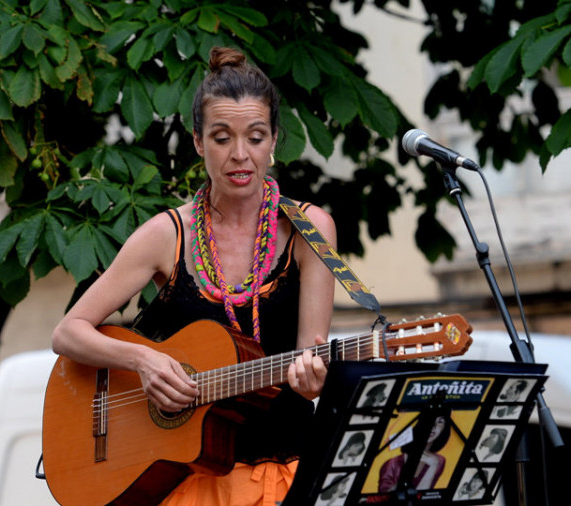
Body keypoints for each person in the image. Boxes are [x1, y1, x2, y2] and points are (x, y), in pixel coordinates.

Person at [51, 46, 336, 504]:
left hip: (291, 476)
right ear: (199, 142)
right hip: (194, 482)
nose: (240, 155)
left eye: (256, 137)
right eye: (222, 138)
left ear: (275, 141)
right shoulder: (167, 235)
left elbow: (312, 354)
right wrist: (143, 361)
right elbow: (68, 333)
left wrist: (314, 376)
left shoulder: (310, 229)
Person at [378, 414, 452, 493]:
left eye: (440, 422)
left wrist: (433, 465)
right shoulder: (392, 464)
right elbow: (383, 499)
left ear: (444, 428)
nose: (433, 426)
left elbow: (423, 496)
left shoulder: (439, 461)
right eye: (428, 419)